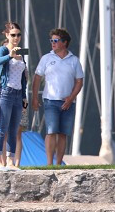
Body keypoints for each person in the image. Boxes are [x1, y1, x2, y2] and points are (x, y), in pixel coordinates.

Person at [31, 28, 84, 166]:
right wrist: (35, 98)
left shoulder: (74, 60)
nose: (53, 43)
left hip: (68, 102)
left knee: (62, 133)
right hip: (50, 101)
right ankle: (49, 164)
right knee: (51, 131)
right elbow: (37, 78)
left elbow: (79, 81)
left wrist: (71, 98)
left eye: (56, 41)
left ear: (64, 43)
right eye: (51, 41)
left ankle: (59, 163)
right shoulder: (46, 58)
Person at [0, 22, 29, 171]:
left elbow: (23, 77)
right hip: (6, 92)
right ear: (7, 35)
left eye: (19, 35)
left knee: (14, 129)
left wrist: (24, 95)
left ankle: (10, 161)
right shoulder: (4, 49)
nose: (16, 37)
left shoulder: (21, 54)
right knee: (2, 128)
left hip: (18, 95)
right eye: (13, 35)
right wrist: (9, 55)